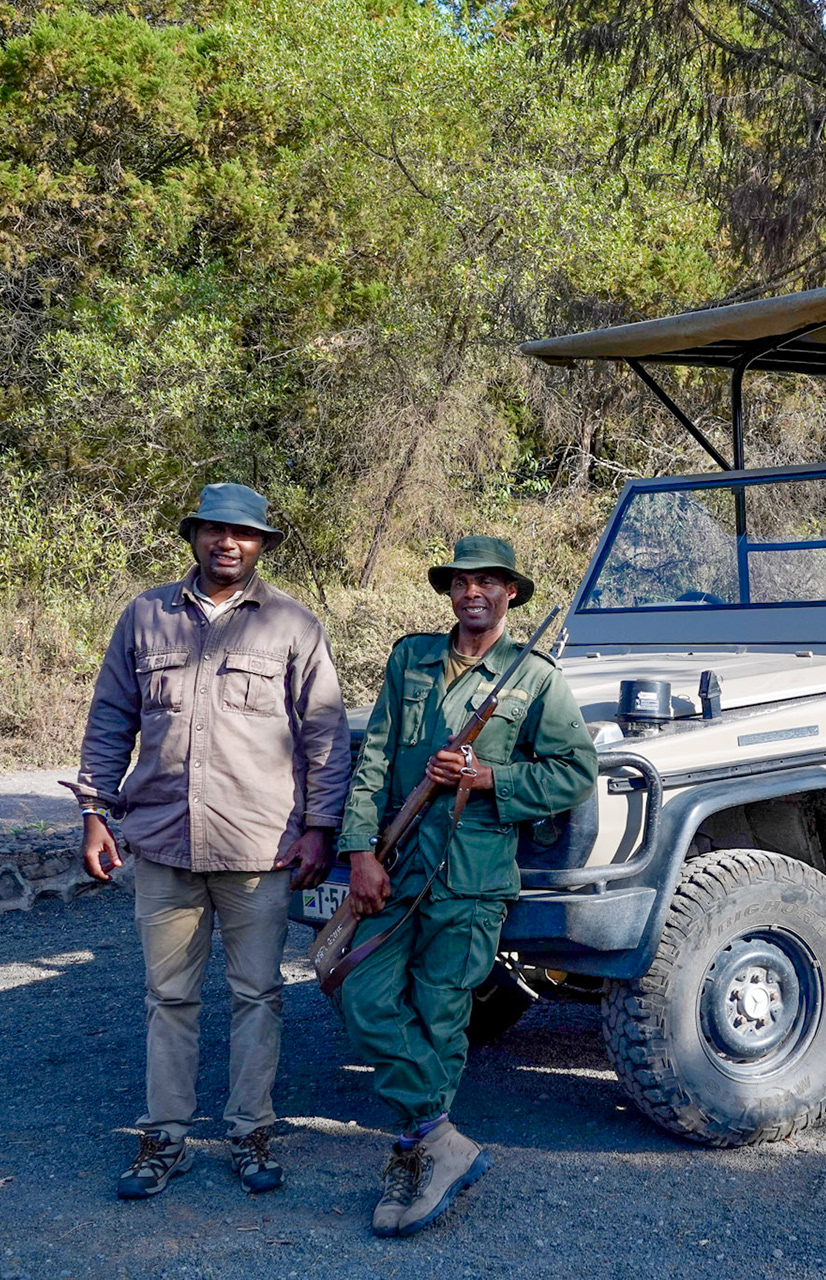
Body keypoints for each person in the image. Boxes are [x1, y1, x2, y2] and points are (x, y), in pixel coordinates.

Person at [69, 483, 350, 1201]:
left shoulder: (292, 625)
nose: (228, 543)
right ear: (194, 536)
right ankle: (165, 1137)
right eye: (215, 531)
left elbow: (325, 737)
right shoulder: (145, 616)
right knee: (168, 996)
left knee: (257, 993)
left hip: (261, 849)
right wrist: (96, 812)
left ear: (262, 545)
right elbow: (110, 719)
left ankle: (251, 1129)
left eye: (244, 534)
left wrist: (321, 829)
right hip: (162, 841)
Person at [335, 536, 596, 1238]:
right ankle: (440, 1137)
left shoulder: (534, 678)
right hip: (396, 863)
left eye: (488, 582)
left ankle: (418, 1151)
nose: (472, 592)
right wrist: (361, 849)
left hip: (473, 875)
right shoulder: (409, 659)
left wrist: (491, 779)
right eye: (462, 582)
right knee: (359, 993)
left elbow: (575, 772)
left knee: (441, 1012)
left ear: (511, 593)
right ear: (449, 591)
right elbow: (376, 759)